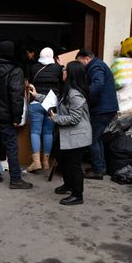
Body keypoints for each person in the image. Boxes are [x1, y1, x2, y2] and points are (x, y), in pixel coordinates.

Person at [30, 61, 92, 205]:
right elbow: (55, 102)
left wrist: (55, 118)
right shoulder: (68, 89)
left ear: (71, 74)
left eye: (64, 70)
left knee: (74, 165)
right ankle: (68, 185)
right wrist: (37, 95)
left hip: (77, 136)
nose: (62, 72)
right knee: (63, 160)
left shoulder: (75, 94)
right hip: (68, 134)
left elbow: (75, 118)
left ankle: (77, 195)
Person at [0, 40, 33, 189]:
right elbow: (16, 95)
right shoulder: (15, 70)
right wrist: (17, 117)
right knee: (11, 146)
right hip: (6, 115)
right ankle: (15, 179)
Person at [75, 49, 118, 180]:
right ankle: (99, 167)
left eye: (79, 62)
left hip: (102, 109)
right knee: (96, 138)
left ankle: (98, 170)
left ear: (86, 59)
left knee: (92, 138)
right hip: (104, 108)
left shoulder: (96, 66)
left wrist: (83, 97)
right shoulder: (96, 65)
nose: (79, 65)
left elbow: (98, 84)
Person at [26, 47, 63, 173]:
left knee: (35, 132)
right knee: (48, 132)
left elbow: (29, 83)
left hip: (36, 102)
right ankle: (46, 162)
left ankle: (36, 161)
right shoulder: (58, 68)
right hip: (51, 104)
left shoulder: (33, 67)